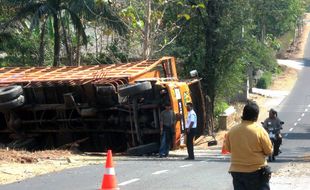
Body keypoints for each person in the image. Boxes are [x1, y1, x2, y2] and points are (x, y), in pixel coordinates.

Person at [223, 101, 273, 190]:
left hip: (236, 171)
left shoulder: (232, 131)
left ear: (243, 114)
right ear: (256, 116)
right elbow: (269, 151)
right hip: (256, 172)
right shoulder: (260, 131)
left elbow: (228, 149)